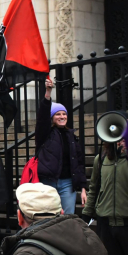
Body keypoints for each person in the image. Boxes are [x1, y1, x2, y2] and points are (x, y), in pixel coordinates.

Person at [36, 80, 87, 214]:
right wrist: (48, 92)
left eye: (64, 114)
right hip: (48, 182)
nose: (62, 116)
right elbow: (42, 118)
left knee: (68, 216)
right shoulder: (45, 134)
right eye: (58, 114)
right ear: (52, 117)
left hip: (68, 183)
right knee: (50, 216)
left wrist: (83, 188)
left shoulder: (71, 136)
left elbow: (79, 163)